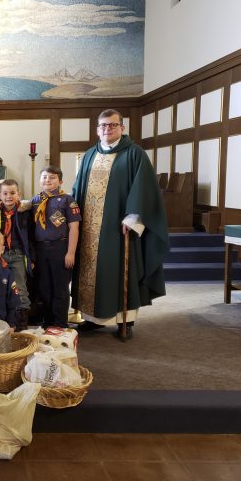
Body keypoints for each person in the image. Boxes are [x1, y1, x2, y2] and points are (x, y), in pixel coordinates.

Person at [72, 109, 169, 340]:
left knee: (120, 271)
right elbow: (77, 188)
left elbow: (144, 189)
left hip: (118, 228)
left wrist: (133, 217)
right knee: (89, 273)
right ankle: (91, 319)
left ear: (122, 128)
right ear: (97, 130)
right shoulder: (89, 155)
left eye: (112, 125)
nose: (107, 129)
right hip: (89, 230)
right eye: (103, 125)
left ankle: (125, 320)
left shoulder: (134, 154)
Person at [31, 166, 81, 328]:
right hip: (40, 249)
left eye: (52, 177)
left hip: (60, 247)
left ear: (60, 182)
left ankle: (60, 324)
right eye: (44, 177)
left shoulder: (68, 200)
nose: (48, 180)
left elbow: (74, 228)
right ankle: (47, 322)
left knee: (60, 288)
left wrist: (71, 253)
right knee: (44, 287)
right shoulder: (35, 200)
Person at [0, 179, 34, 331]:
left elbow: (31, 237)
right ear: (0, 195)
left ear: (19, 194)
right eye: (5, 193)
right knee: (1, 286)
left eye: (12, 193)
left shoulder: (25, 212)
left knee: (20, 288)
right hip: (0, 255)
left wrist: (32, 258)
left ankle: (22, 324)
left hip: (18, 255)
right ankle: (4, 321)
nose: (9, 196)